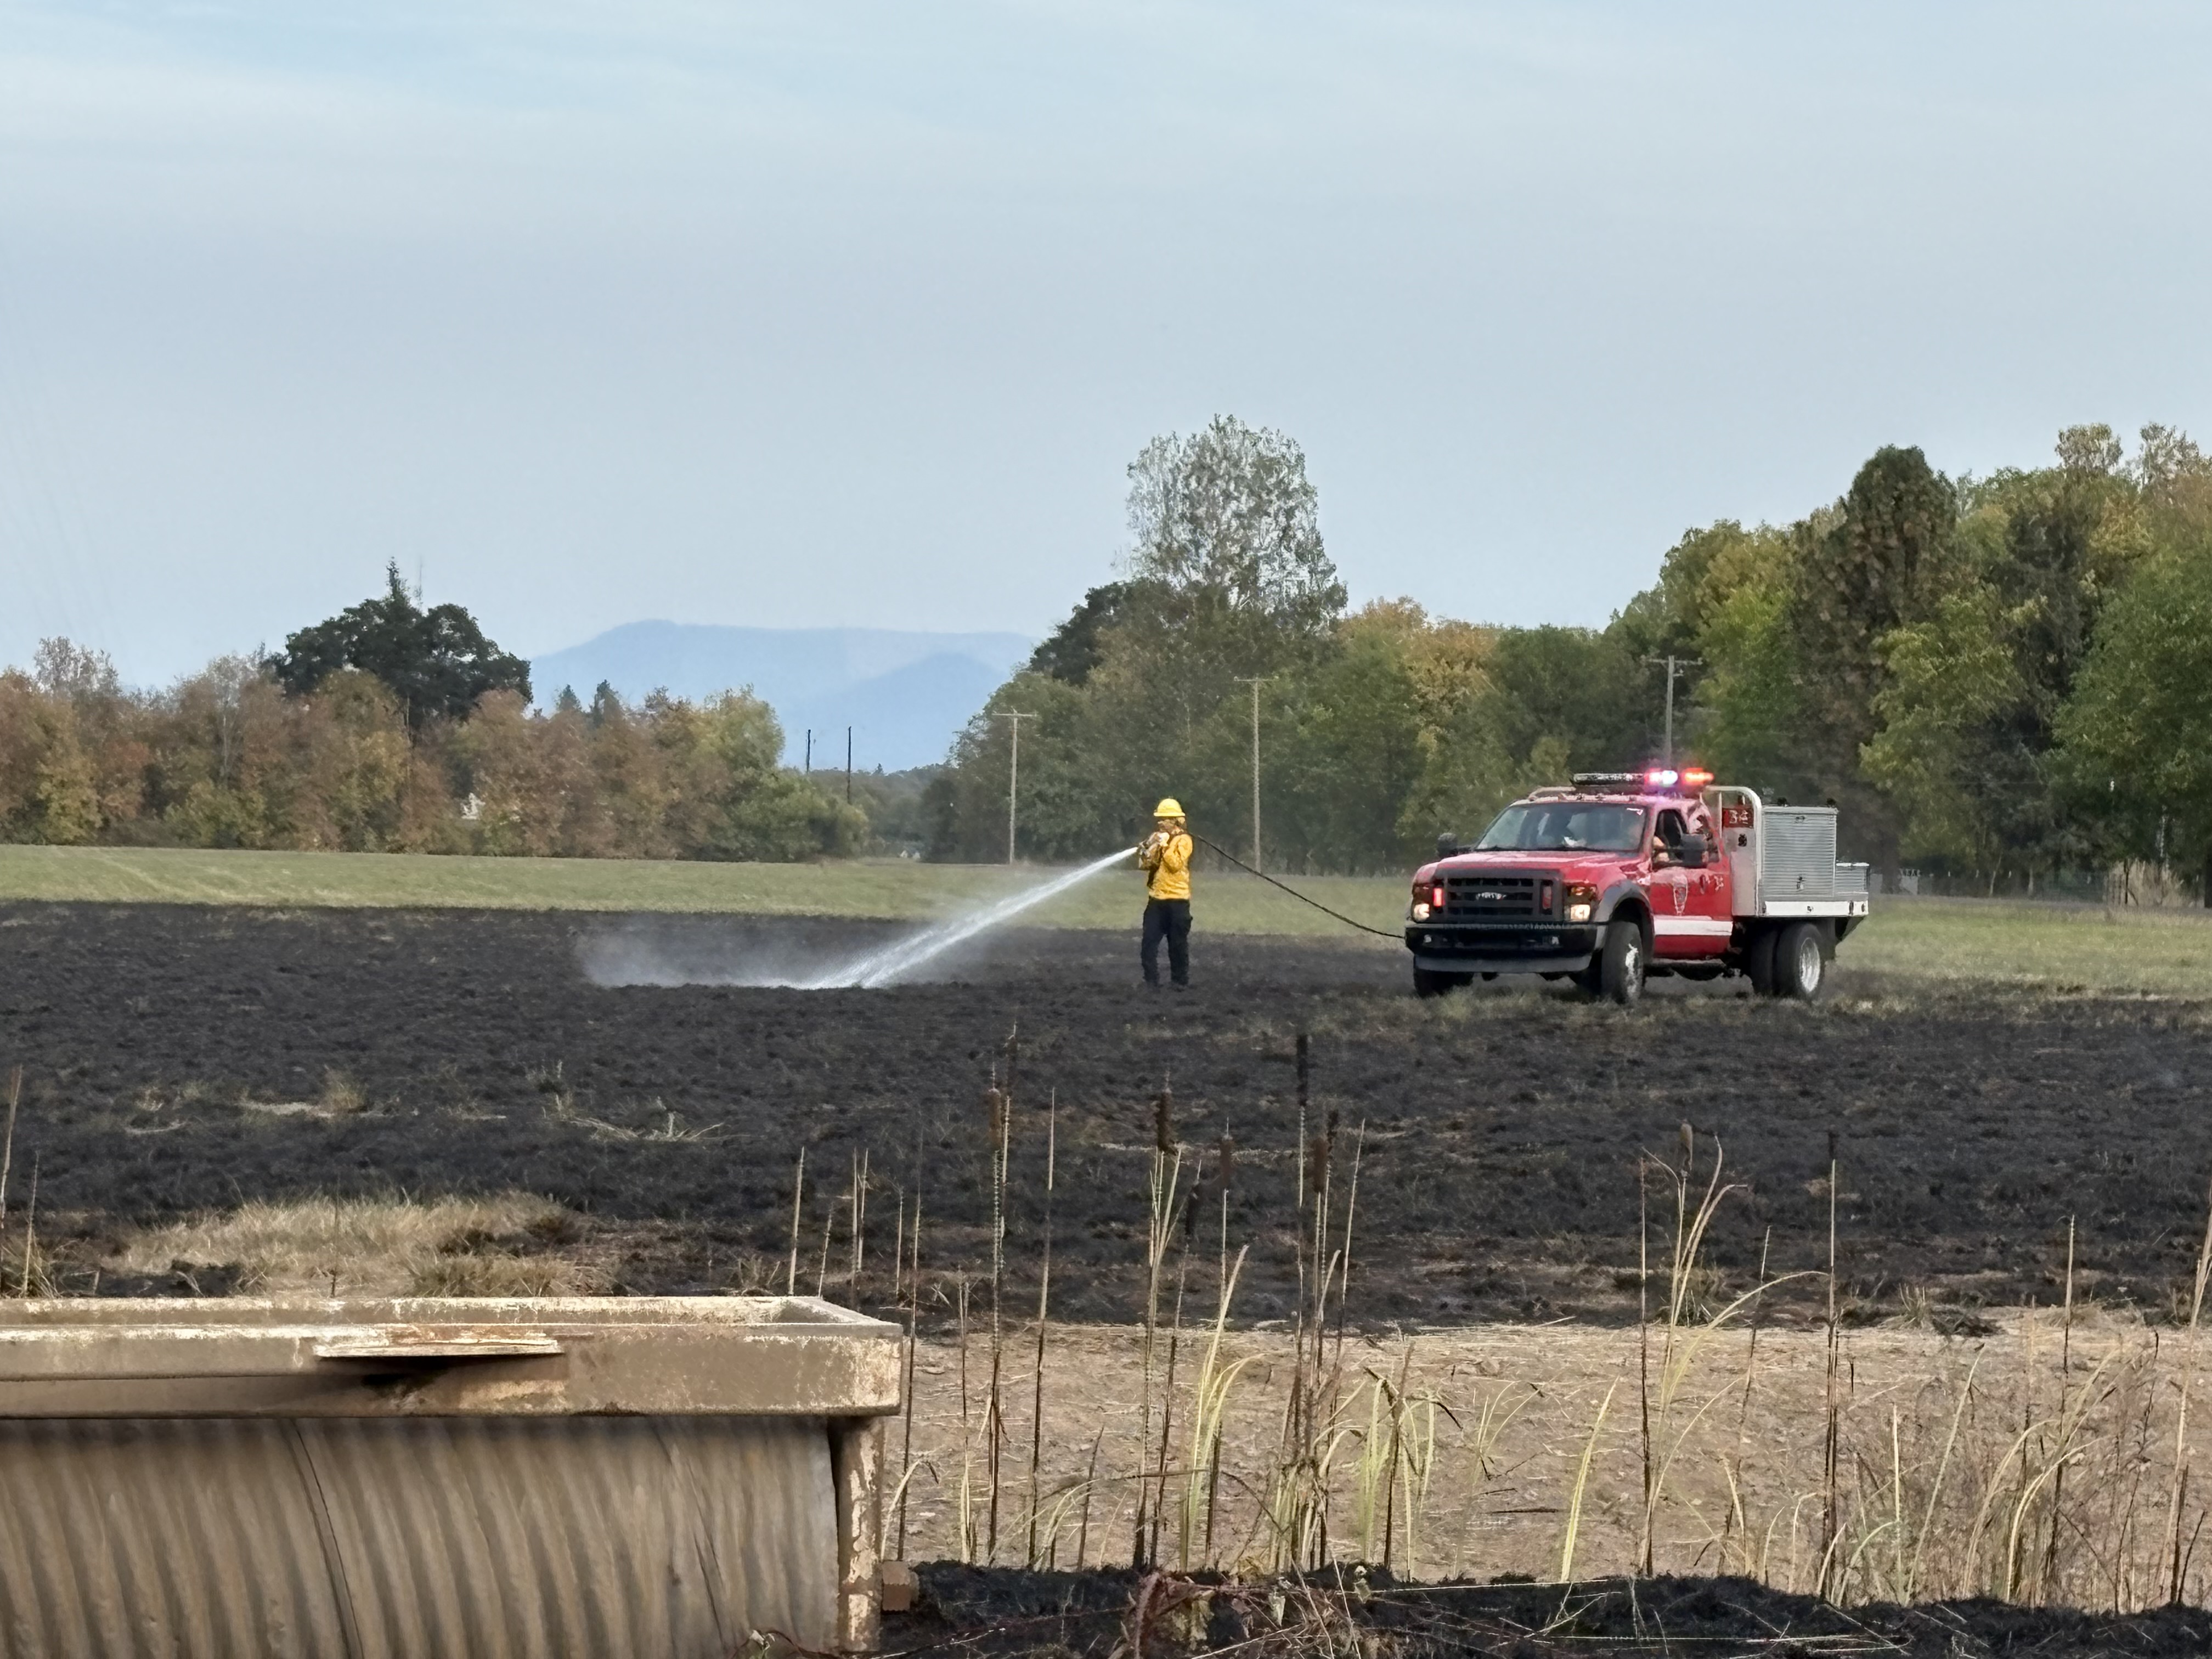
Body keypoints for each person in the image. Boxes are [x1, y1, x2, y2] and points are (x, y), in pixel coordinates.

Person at [1137, 798, 1194, 989]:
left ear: (1175, 820)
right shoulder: (1158, 837)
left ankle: (1179, 983)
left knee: (1177, 945)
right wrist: (1146, 849)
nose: (1160, 823)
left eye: (1164, 819)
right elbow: (1146, 865)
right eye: (1159, 819)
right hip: (1157, 901)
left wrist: (1165, 846)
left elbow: (1175, 864)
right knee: (1148, 943)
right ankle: (1151, 982)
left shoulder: (1184, 841)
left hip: (1178, 901)